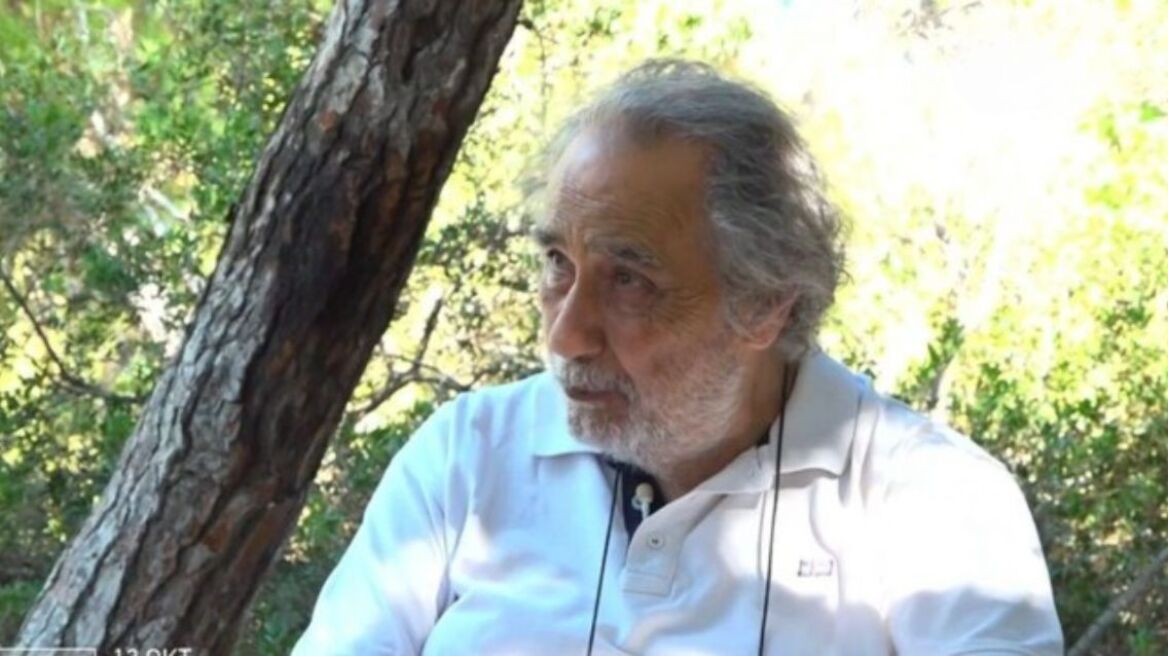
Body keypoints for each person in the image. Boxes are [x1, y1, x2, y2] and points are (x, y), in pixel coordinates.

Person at [293, 60, 1063, 655]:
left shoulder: (930, 501)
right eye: (558, 262)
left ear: (765, 304)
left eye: (629, 281)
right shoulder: (466, 455)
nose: (566, 336)